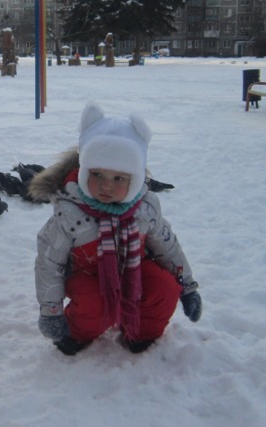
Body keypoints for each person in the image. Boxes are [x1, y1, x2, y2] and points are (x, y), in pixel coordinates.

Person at [30, 102, 201, 355]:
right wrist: (51, 312)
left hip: (133, 269)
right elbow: (48, 263)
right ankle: (76, 333)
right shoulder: (69, 214)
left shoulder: (144, 210)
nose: (106, 186)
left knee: (163, 287)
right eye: (97, 175)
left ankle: (143, 333)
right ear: (83, 171)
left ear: (135, 179)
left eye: (118, 178)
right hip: (86, 276)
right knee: (93, 303)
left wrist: (187, 287)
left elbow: (168, 247)